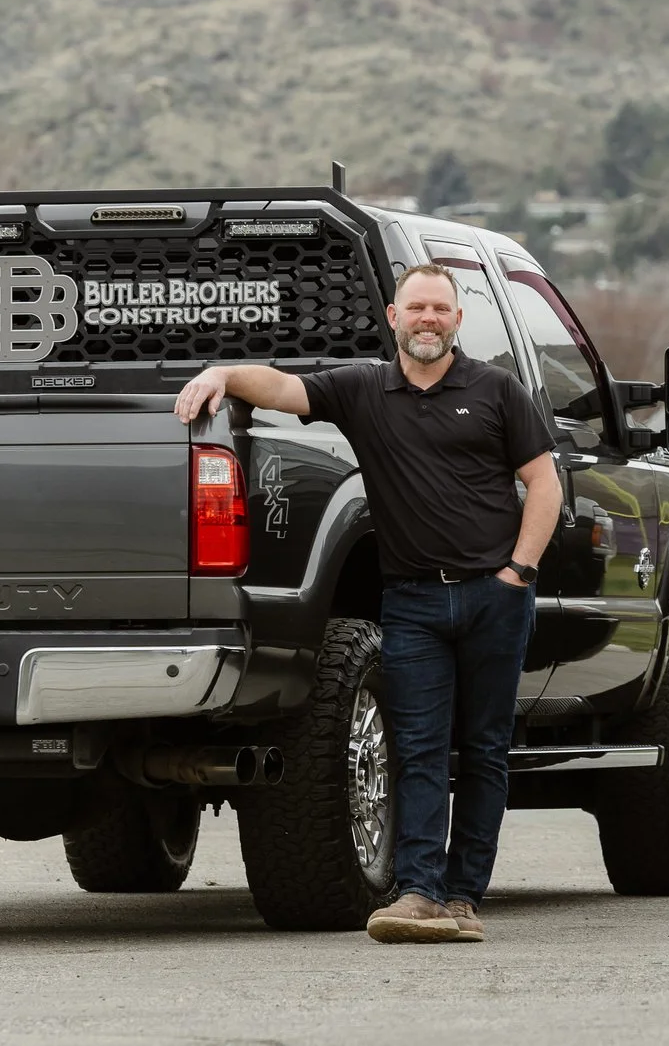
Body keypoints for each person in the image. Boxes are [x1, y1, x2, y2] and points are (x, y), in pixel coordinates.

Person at [174, 263, 562, 944]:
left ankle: (463, 897)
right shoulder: (362, 388)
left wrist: (517, 572)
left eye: (440, 308)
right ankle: (418, 893)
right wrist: (223, 374)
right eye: (417, 307)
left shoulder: (497, 390)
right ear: (394, 316)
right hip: (411, 602)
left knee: (483, 751)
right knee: (417, 749)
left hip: (494, 598)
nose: (428, 319)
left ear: (457, 319)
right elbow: (284, 387)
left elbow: (545, 482)